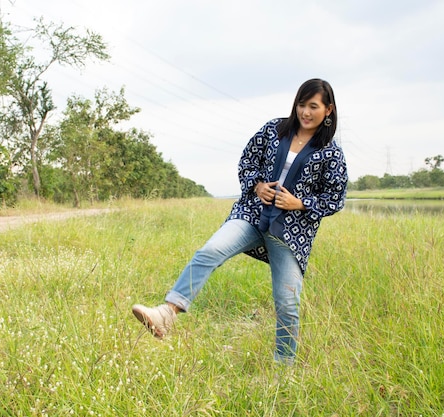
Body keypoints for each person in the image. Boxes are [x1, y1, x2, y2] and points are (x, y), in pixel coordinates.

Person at [132, 78, 348, 364]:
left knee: (287, 303)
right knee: (209, 251)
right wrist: (257, 186)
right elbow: (247, 162)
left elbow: (335, 199)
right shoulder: (274, 130)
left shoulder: (331, 153)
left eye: (313, 106)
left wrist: (300, 203)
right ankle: (167, 313)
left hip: (291, 233)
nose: (305, 112)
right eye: (301, 104)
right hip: (252, 215)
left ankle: (283, 370)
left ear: (328, 110)